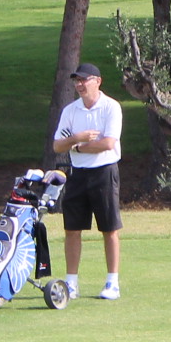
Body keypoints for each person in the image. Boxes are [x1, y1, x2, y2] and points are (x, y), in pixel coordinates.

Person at [51, 63, 125, 303]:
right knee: (72, 229)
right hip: (78, 174)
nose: (80, 84)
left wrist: (78, 147)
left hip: (105, 172)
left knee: (109, 229)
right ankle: (71, 283)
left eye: (84, 80)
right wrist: (77, 138)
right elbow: (58, 145)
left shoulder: (111, 107)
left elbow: (108, 143)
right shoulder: (70, 111)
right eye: (77, 81)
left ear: (98, 81)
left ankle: (112, 282)